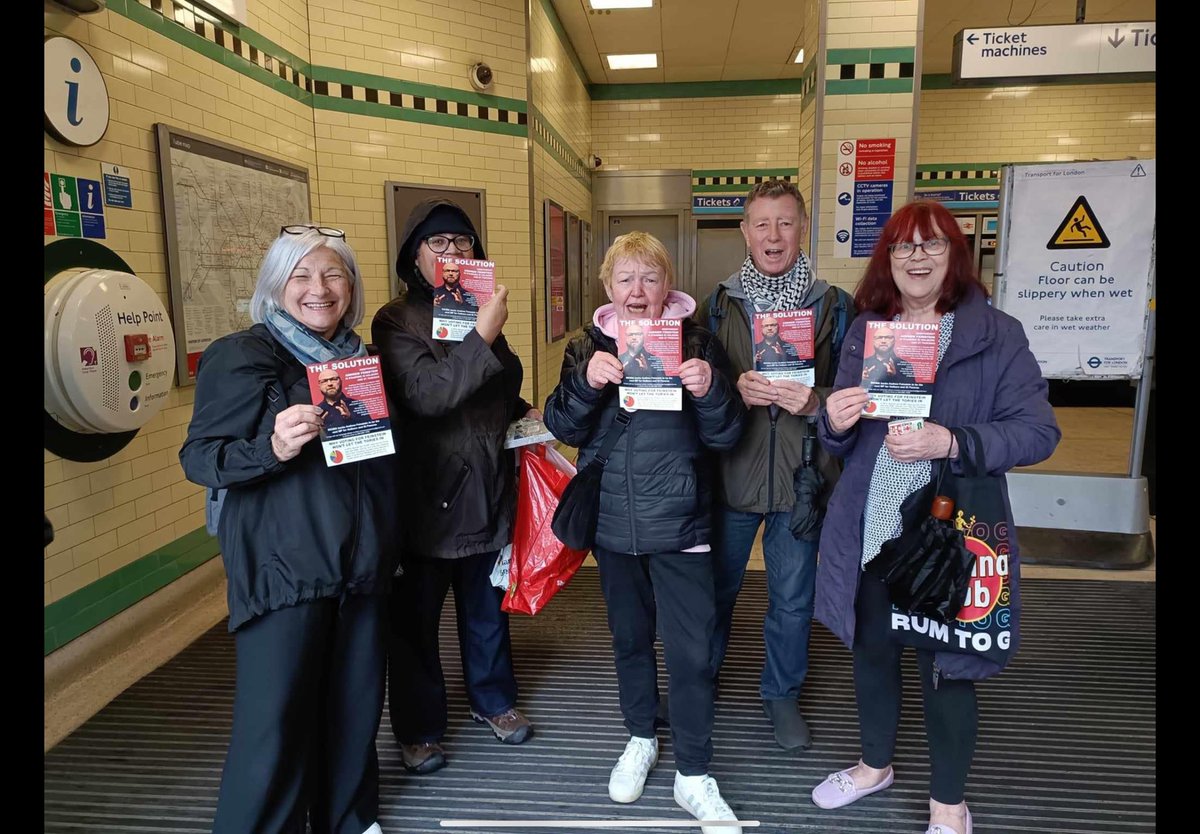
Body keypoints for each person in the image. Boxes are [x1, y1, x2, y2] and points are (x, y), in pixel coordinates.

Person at [811, 200, 1060, 834]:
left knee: (948, 664)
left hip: (952, 531)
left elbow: (1037, 432)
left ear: (955, 255)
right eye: (902, 247)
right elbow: (837, 435)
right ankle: (875, 767)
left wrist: (951, 441)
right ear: (886, 260)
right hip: (872, 524)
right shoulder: (869, 330)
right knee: (872, 649)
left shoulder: (996, 334)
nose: (916, 258)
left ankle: (948, 803)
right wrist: (832, 421)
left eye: (931, 245)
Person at [180, 224, 398, 834]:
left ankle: (350, 820)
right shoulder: (244, 354)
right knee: (273, 727)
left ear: (350, 287)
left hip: (361, 565)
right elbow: (202, 457)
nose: (319, 290)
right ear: (276, 287)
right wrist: (273, 446)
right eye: (301, 276)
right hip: (285, 569)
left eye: (333, 275)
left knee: (355, 713)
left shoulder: (362, 363)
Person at [543, 231, 745, 833]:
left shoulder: (700, 341)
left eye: (650, 278)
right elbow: (561, 422)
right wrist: (588, 383)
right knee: (629, 640)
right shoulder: (587, 345)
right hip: (613, 525)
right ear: (608, 288)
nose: (637, 291)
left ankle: (695, 775)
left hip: (683, 522)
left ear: (668, 287)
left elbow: (728, 435)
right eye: (625, 279)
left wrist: (710, 392)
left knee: (690, 651)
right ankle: (639, 738)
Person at [372, 198, 538, 776]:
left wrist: (524, 412)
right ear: (414, 257)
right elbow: (428, 395)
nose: (452, 254)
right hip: (426, 496)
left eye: (463, 243)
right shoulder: (396, 321)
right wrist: (484, 335)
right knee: (415, 622)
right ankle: (418, 729)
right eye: (438, 244)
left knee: (485, 607)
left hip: (488, 484)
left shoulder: (476, 308)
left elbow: (497, 386)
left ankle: (493, 701)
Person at [700, 179, 853, 751]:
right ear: (744, 232)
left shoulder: (834, 306)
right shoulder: (717, 304)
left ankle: (781, 693)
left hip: (802, 479)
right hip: (731, 473)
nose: (773, 235)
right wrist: (728, 389)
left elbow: (859, 393)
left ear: (803, 229)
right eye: (761, 224)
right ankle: (700, 679)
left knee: (792, 599)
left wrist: (816, 403)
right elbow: (696, 390)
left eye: (785, 223)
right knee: (714, 590)